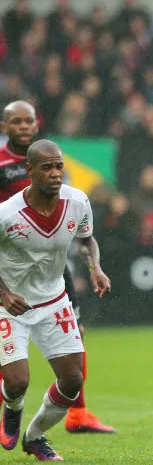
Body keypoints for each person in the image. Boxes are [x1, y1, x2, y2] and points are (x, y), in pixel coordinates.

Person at [0, 101, 115, 434]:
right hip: (11, 265)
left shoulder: (51, 162)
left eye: (29, 121)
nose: (23, 126)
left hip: (50, 264)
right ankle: (11, 406)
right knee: (14, 365)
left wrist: (95, 267)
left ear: (37, 124)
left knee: (74, 337)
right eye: (16, 122)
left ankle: (78, 413)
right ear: (6, 127)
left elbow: (83, 230)